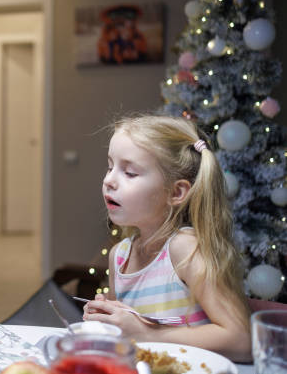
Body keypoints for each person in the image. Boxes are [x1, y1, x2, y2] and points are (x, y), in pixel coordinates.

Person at [84, 114, 251, 362]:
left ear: (176, 192)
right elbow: (128, 338)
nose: (109, 180)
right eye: (110, 167)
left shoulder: (185, 249)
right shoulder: (119, 256)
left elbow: (243, 340)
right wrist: (108, 317)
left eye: (129, 172)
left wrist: (147, 334)